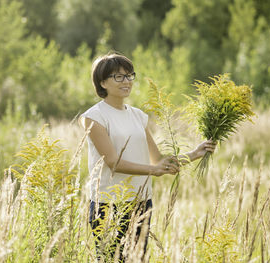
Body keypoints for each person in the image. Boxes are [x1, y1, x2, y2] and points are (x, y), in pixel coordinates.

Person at [80, 52, 216, 261]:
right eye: (119, 76)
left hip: (141, 202)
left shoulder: (137, 115)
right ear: (102, 82)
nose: (126, 81)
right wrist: (153, 170)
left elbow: (158, 160)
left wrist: (195, 154)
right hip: (109, 204)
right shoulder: (94, 117)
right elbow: (113, 162)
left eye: (129, 75)